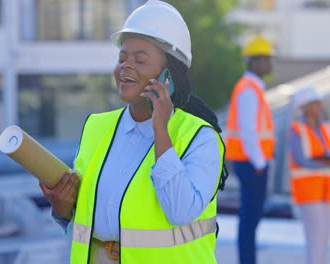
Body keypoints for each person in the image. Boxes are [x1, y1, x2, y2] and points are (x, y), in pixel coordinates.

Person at [38, 1, 227, 263]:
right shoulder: (96, 127)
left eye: (140, 60)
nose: (125, 66)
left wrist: (160, 130)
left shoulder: (200, 137)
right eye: (122, 58)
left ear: (168, 76)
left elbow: (180, 211)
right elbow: (92, 217)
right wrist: (61, 209)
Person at [225, 35, 275, 264]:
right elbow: (247, 131)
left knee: (250, 218)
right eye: (265, 59)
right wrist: (260, 163)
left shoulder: (252, 88)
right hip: (251, 163)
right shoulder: (248, 90)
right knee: (249, 218)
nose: (270, 63)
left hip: (250, 161)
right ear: (254, 62)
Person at [288, 86, 330, 264]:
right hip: (309, 192)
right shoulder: (296, 130)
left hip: (327, 190)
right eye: (315, 104)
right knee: (315, 242)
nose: (319, 107)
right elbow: (300, 158)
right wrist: (324, 162)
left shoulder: (326, 128)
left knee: (324, 241)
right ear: (305, 107)